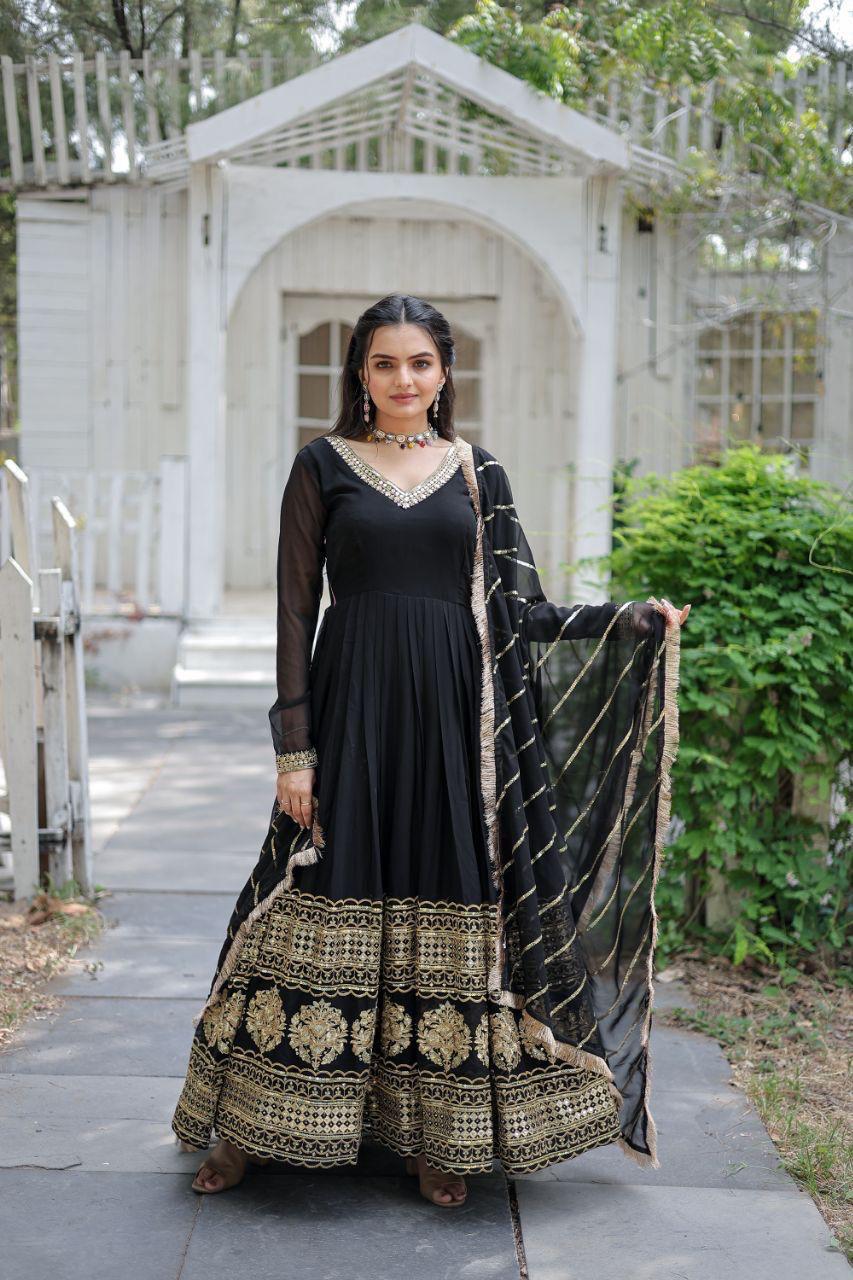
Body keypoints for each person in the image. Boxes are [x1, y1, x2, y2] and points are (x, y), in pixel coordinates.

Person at [171, 293, 689, 1207]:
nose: (403, 379)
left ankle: (436, 1134)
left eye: (420, 362)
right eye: (384, 363)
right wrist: (294, 750)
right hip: (352, 712)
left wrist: (627, 621)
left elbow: (520, 611)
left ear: (444, 372)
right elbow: (293, 612)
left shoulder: (477, 474)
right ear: (361, 374)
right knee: (313, 887)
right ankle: (248, 1128)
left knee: (445, 896)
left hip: (454, 724)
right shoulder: (321, 465)